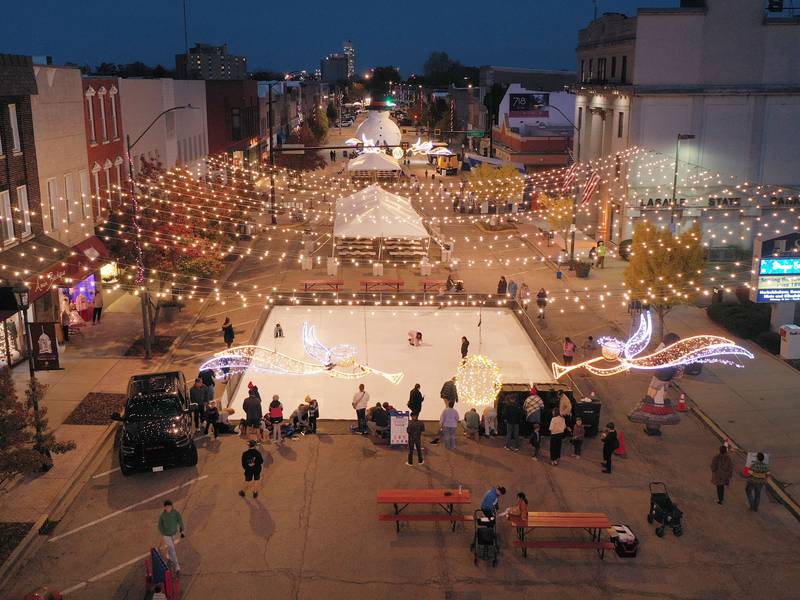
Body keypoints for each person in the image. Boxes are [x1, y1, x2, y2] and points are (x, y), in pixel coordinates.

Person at [158, 500, 184, 574]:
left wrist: (182, 530)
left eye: (169, 506)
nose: (168, 508)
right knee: (173, 550)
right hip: (166, 536)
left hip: (174, 534)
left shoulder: (175, 513)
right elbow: (159, 525)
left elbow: (180, 521)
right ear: (164, 507)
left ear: (172, 506)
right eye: (167, 507)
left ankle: (168, 555)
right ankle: (177, 567)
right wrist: (163, 532)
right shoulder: (162, 515)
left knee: (170, 548)